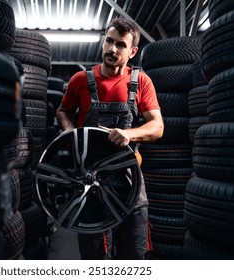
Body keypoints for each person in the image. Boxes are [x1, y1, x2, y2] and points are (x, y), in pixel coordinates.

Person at [56, 17, 164, 259]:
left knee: (134, 258)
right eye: (109, 41)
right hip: (90, 185)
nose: (112, 49)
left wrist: (129, 133)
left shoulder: (141, 82)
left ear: (133, 51)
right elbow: (63, 111)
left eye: (121, 45)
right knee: (96, 260)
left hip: (130, 186)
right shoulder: (80, 80)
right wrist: (69, 130)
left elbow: (157, 127)